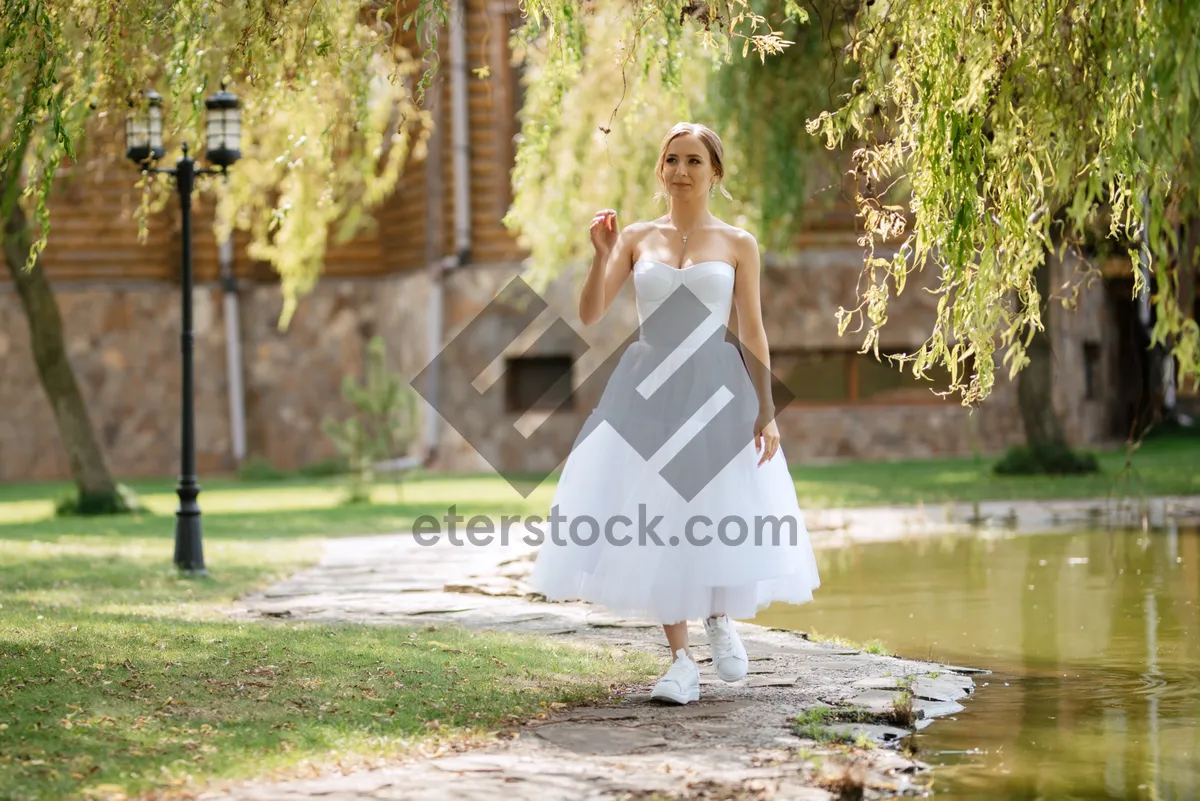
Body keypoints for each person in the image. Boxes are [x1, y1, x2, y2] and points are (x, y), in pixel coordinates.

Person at [527, 122, 820, 704]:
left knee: (711, 508)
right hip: (647, 392)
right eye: (671, 160)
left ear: (714, 173)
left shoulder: (739, 244)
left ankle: (717, 618)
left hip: (716, 387)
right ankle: (680, 660)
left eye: (693, 161)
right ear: (659, 170)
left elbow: (753, 331)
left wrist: (766, 410)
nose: (681, 171)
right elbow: (589, 313)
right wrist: (604, 255)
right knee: (655, 516)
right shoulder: (636, 237)